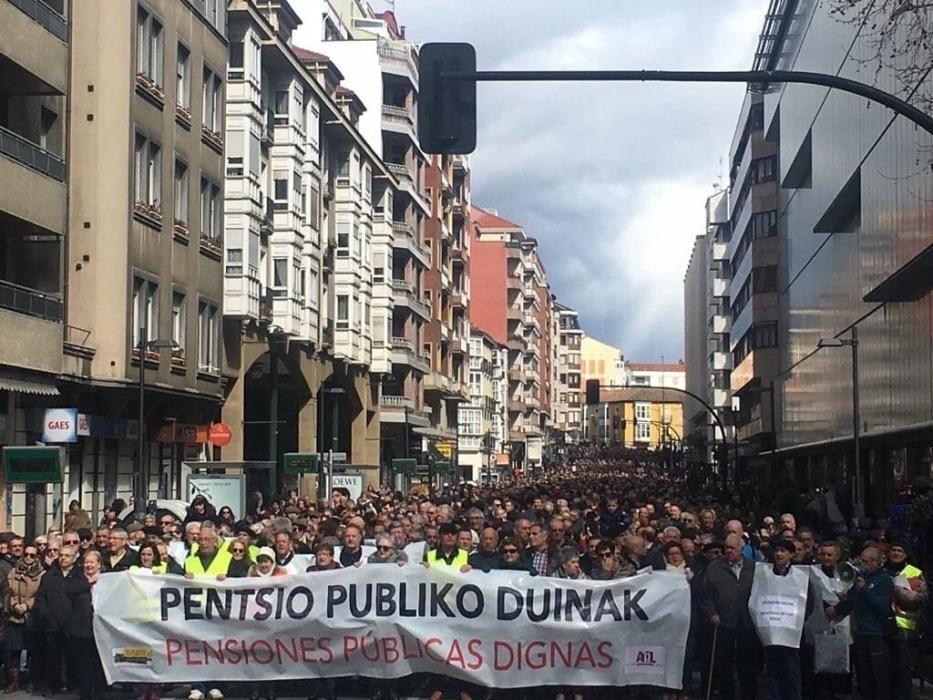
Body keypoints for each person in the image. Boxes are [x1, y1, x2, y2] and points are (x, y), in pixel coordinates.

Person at [825, 546, 894, 700]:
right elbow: (852, 601)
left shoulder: (884, 580)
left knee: (879, 677)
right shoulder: (861, 579)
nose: (862, 565)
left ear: (876, 562)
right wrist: (838, 606)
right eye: (861, 561)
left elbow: (883, 607)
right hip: (860, 633)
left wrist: (865, 590)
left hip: (876, 635)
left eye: (865, 562)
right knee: (864, 676)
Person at [701, 533, 759, 700]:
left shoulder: (753, 567)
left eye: (732, 548)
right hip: (724, 622)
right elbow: (705, 594)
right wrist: (712, 613)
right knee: (723, 664)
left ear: (741, 549)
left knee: (747, 665)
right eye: (726, 547)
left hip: (747, 623)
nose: (728, 551)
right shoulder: (714, 567)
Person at [34, 544, 83, 695]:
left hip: (72, 625)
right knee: (52, 657)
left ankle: (73, 685)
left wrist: (75, 620)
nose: (63, 558)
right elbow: (41, 598)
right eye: (61, 555)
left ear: (74, 558)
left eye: (67, 556)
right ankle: (51, 685)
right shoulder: (49, 576)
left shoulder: (79, 576)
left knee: (72, 657)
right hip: (52, 625)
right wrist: (46, 615)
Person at [885, 541, 926, 700]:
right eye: (893, 550)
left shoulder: (913, 572)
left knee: (902, 669)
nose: (895, 553)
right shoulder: (882, 570)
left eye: (899, 551)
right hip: (883, 625)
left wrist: (895, 589)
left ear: (906, 554)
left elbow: (918, 600)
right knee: (886, 670)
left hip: (904, 628)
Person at [4, 542, 43, 693]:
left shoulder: (41, 574)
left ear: (36, 557)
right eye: (26, 554)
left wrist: (27, 605)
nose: (28, 558)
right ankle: (13, 681)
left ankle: (32, 681)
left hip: (31, 616)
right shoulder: (14, 571)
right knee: (13, 650)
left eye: (32, 555)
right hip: (15, 616)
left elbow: (39, 594)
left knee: (33, 650)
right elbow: (9, 590)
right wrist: (14, 604)